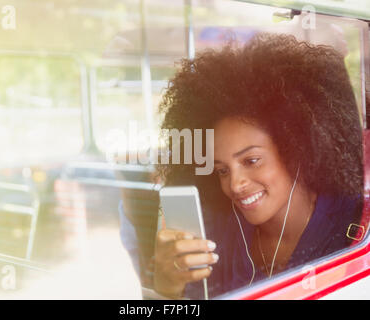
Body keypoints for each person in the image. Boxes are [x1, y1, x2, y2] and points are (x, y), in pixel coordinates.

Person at [153, 33, 363, 299]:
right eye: (222, 170)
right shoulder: (217, 233)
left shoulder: (354, 224)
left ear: (296, 148)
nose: (235, 184)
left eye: (251, 161)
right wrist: (167, 288)